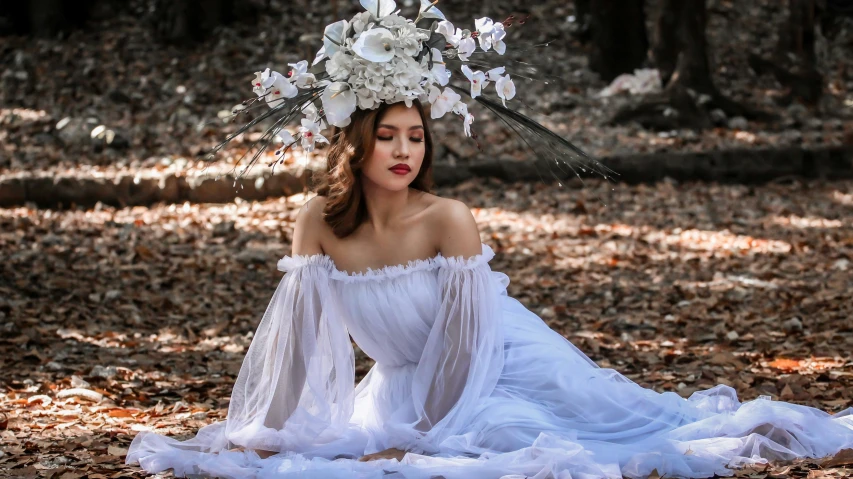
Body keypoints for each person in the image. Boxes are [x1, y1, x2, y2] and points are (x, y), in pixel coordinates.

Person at [126, 98, 853, 479]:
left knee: (559, 438)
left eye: (416, 136)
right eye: (388, 135)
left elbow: (466, 348)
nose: (405, 150)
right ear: (355, 142)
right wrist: (270, 431)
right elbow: (296, 341)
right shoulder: (315, 219)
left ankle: (755, 429)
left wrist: (424, 441)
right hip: (401, 382)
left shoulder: (448, 218)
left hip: (498, 362)